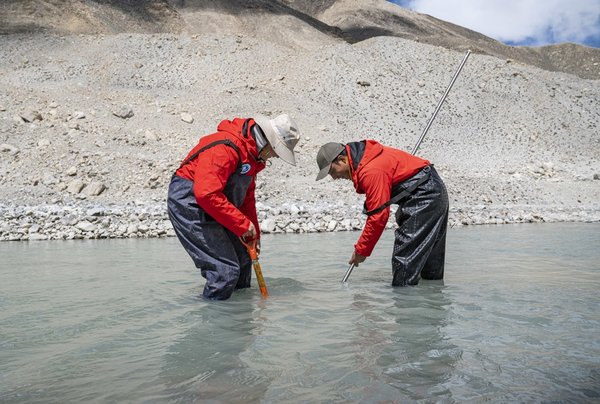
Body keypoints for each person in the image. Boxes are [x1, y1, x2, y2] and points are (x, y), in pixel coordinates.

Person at [168, 114, 300, 300]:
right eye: (276, 151)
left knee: (244, 260)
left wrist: (253, 233)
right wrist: (242, 225)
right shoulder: (225, 147)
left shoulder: (252, 156)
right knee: (225, 272)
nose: (275, 156)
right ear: (268, 141)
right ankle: (215, 323)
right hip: (189, 203)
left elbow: (246, 198)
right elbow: (206, 194)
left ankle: (240, 322)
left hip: (218, 202)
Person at [315, 140, 448, 286]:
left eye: (332, 171)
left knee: (404, 265)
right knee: (430, 267)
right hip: (432, 189)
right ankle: (432, 302)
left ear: (343, 160)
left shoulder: (370, 170)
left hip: (424, 196)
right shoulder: (368, 158)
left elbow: (378, 217)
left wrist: (362, 250)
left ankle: (404, 305)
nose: (334, 177)